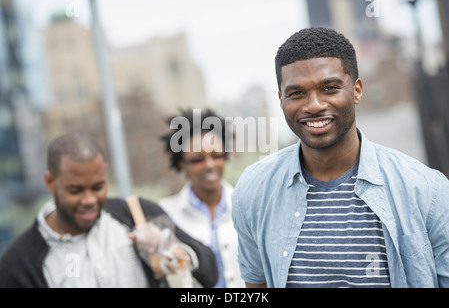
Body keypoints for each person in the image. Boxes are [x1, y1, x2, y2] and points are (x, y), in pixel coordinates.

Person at [231, 27, 449, 288]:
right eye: (296, 93)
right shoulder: (254, 191)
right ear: (281, 100)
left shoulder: (426, 190)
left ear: (356, 90)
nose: (314, 105)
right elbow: (257, 285)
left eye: (330, 88)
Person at [0, 131, 218, 288]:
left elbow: (210, 271)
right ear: (50, 182)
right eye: (75, 190)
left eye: (98, 187)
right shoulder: (19, 263)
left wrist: (171, 250)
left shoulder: (136, 213)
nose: (89, 200)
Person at [159, 108, 244, 288]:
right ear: (182, 164)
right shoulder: (165, 214)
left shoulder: (248, 205)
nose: (210, 165)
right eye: (198, 159)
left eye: (217, 156)